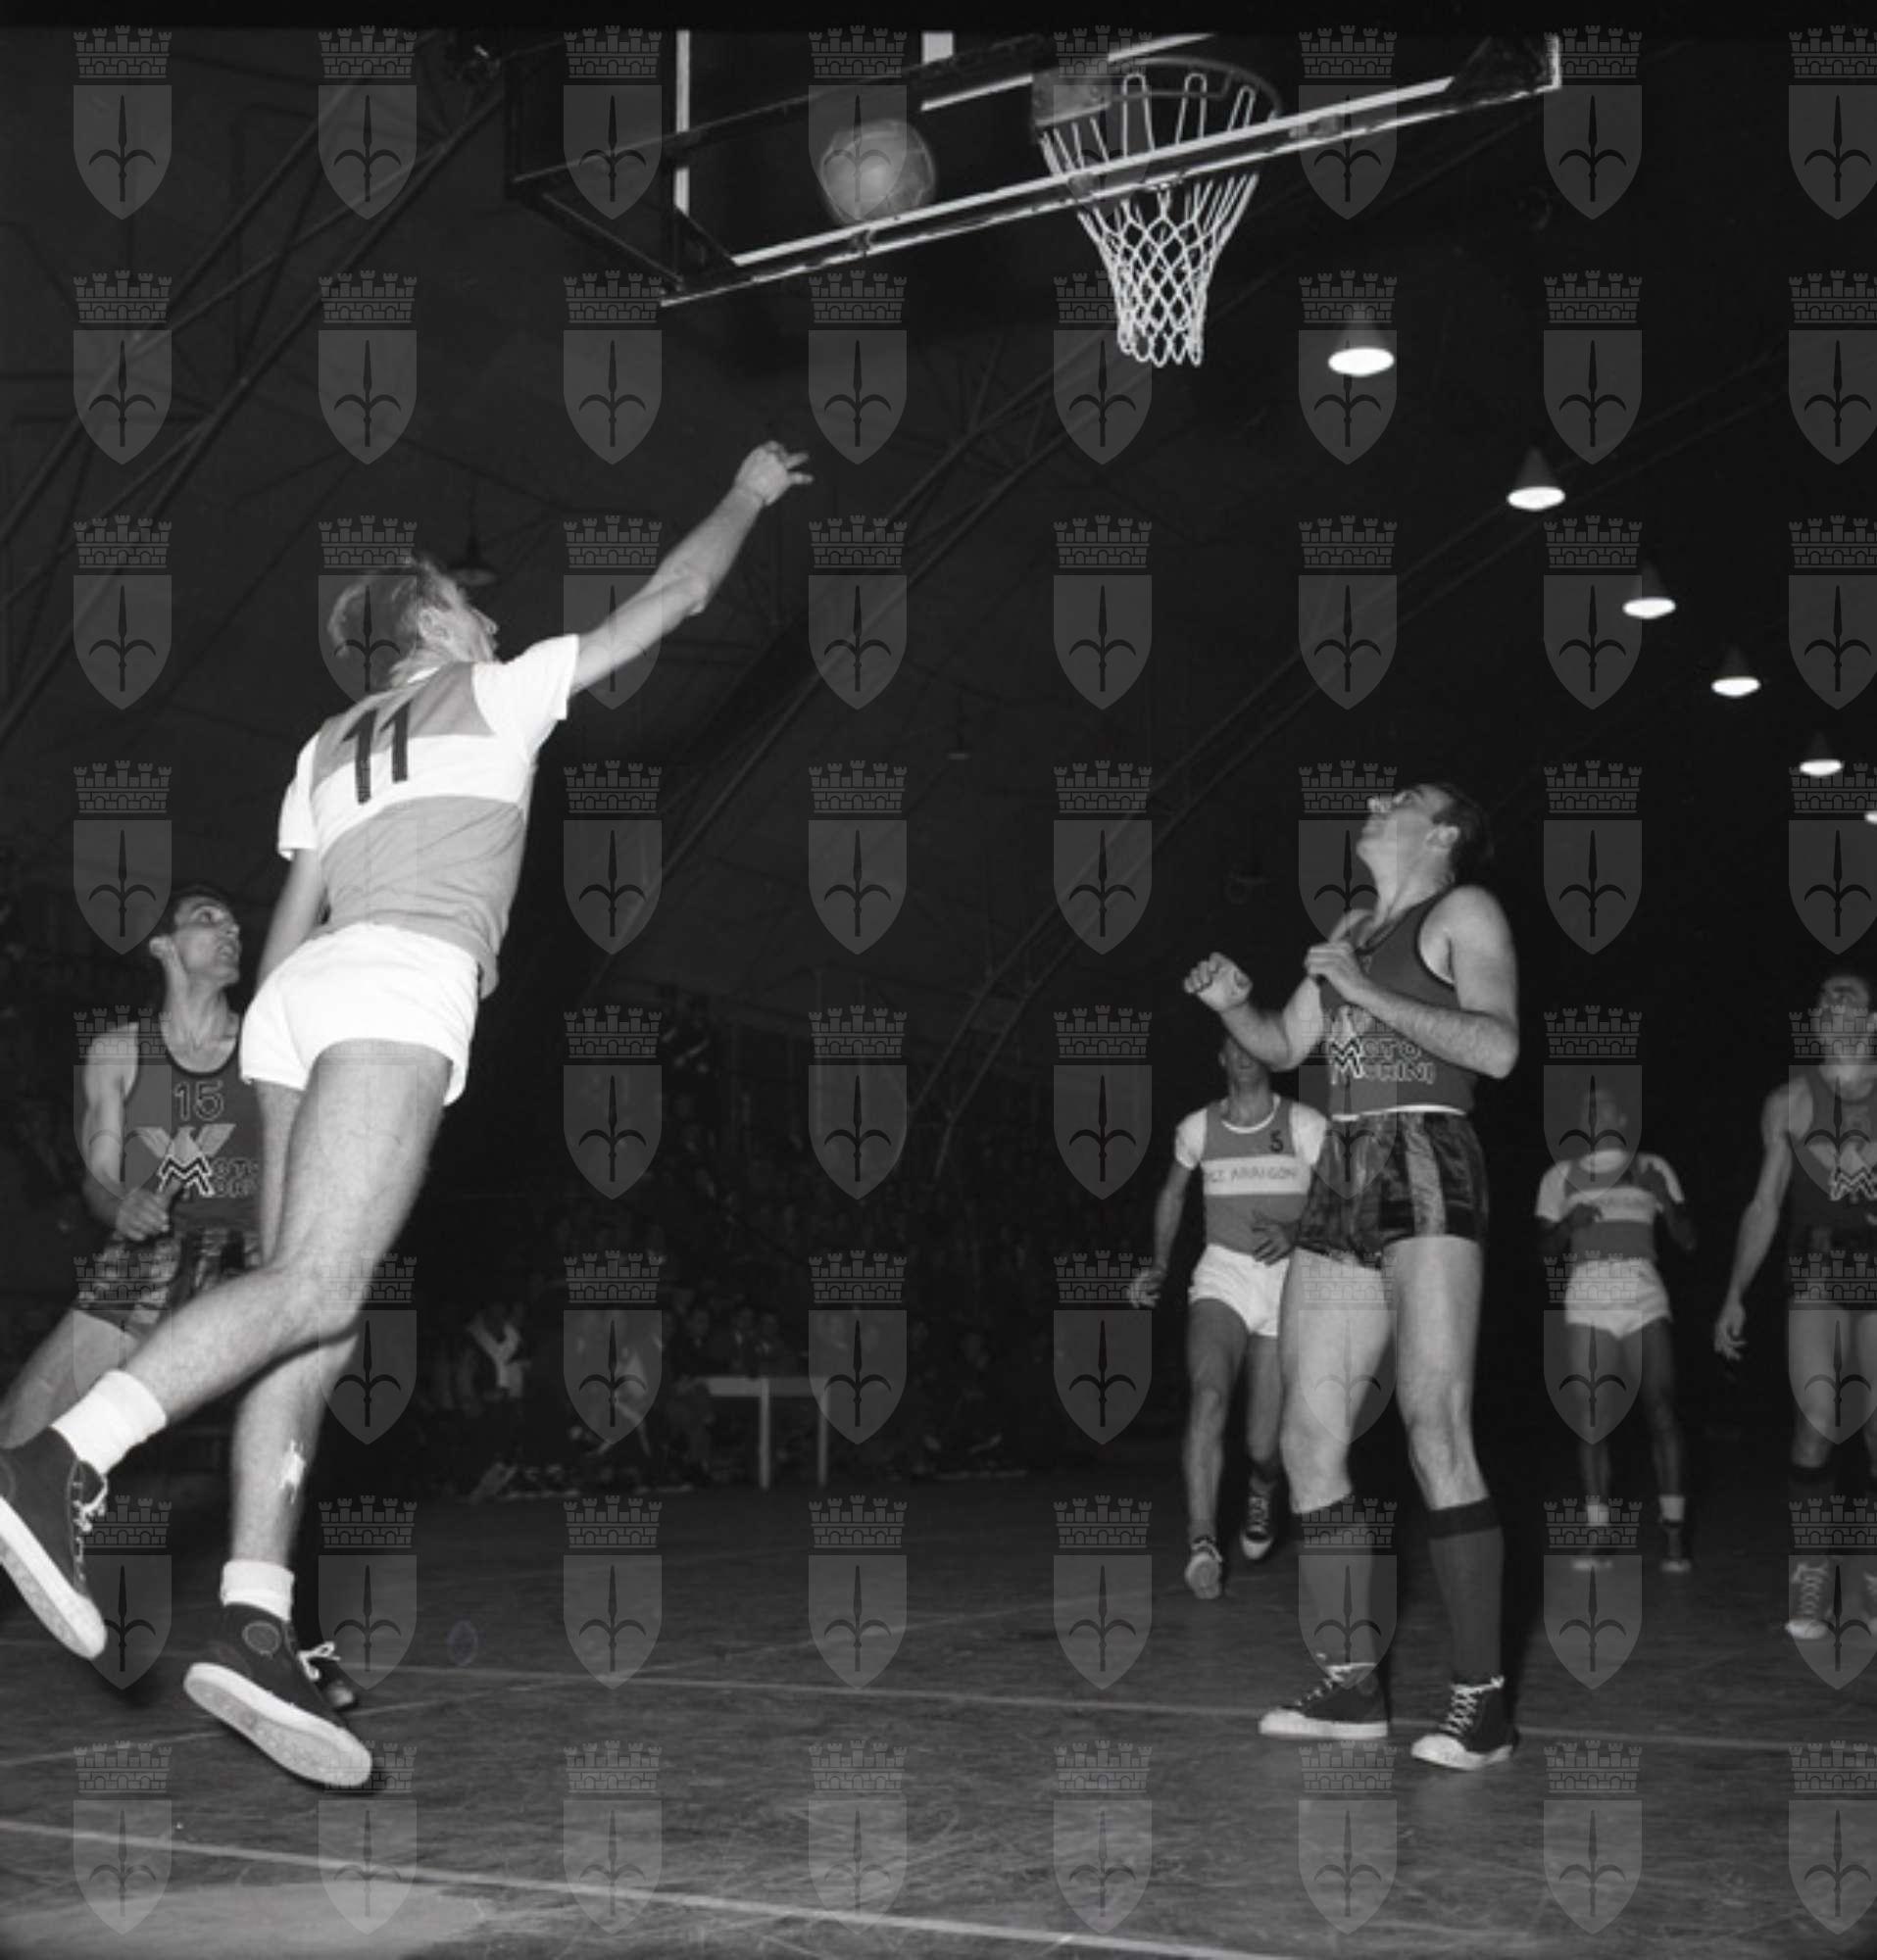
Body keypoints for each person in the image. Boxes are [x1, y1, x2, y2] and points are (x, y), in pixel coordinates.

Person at [0, 441, 811, 1786]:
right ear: (431, 624)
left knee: (304, 1318)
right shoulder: (495, 689)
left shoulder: (325, 747)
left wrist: (268, 1046)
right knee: (320, 1287)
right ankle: (59, 1466)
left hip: (299, 1001)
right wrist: (746, 493)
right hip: (396, 981)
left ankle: (256, 1616)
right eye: (467, 603)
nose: (489, 616)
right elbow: (673, 597)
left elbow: (291, 919)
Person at [1184, 781, 1519, 1770]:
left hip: (1427, 1154)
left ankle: (1482, 1704)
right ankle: (1349, 1686)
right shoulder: (1351, 926)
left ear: (1443, 832)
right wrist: (1233, 1004)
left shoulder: (1464, 911)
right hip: (1340, 1167)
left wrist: (1364, 990)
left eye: (1402, 797)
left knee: (1433, 1423)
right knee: (1307, 1432)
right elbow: (1284, 1044)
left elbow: (1497, 1046)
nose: (1376, 800)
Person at [0, 885, 356, 1714]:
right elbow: (97, 1175)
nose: (228, 930)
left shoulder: (270, 1038)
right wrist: (116, 1202)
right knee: (21, 1430)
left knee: (288, 1443)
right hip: (147, 1258)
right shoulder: (118, 1051)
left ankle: (285, 1636)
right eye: (205, 919)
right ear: (162, 946)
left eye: (233, 921)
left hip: (252, 1265)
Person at [1130, 1036, 1326, 1598]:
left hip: (1288, 1282)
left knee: (1264, 1445)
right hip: (1224, 1275)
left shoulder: (1304, 1124)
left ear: (1270, 1054)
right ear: (1220, 1058)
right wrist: (1160, 1264)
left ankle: (1264, 1486)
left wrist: (1296, 1231)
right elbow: (1172, 1195)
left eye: (1251, 1045)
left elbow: (1341, 1198)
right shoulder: (1197, 1128)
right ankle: (1202, 1543)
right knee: (1210, 1394)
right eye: (1231, 1047)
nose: (1242, 1055)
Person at [1713, 966, 1877, 1638]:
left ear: (1872, 1022)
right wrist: (1734, 1294)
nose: (1832, 1007)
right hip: (1815, 1264)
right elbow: (1763, 1205)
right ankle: (1810, 1578)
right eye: (1823, 1002)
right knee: (1818, 1418)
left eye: (1848, 999)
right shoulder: (1787, 1101)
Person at [1536, 1082, 1695, 1571]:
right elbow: (1543, 1250)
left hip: (1644, 1295)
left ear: (1622, 1119)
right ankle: (1598, 1536)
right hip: (1589, 1300)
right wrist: (1568, 1226)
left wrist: (1664, 1198)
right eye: (1586, 1107)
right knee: (1590, 1421)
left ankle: (1674, 1535)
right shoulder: (1559, 1175)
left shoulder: (1654, 1166)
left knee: (1661, 1408)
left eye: (1603, 1104)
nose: (1594, 1112)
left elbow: (1688, 1240)